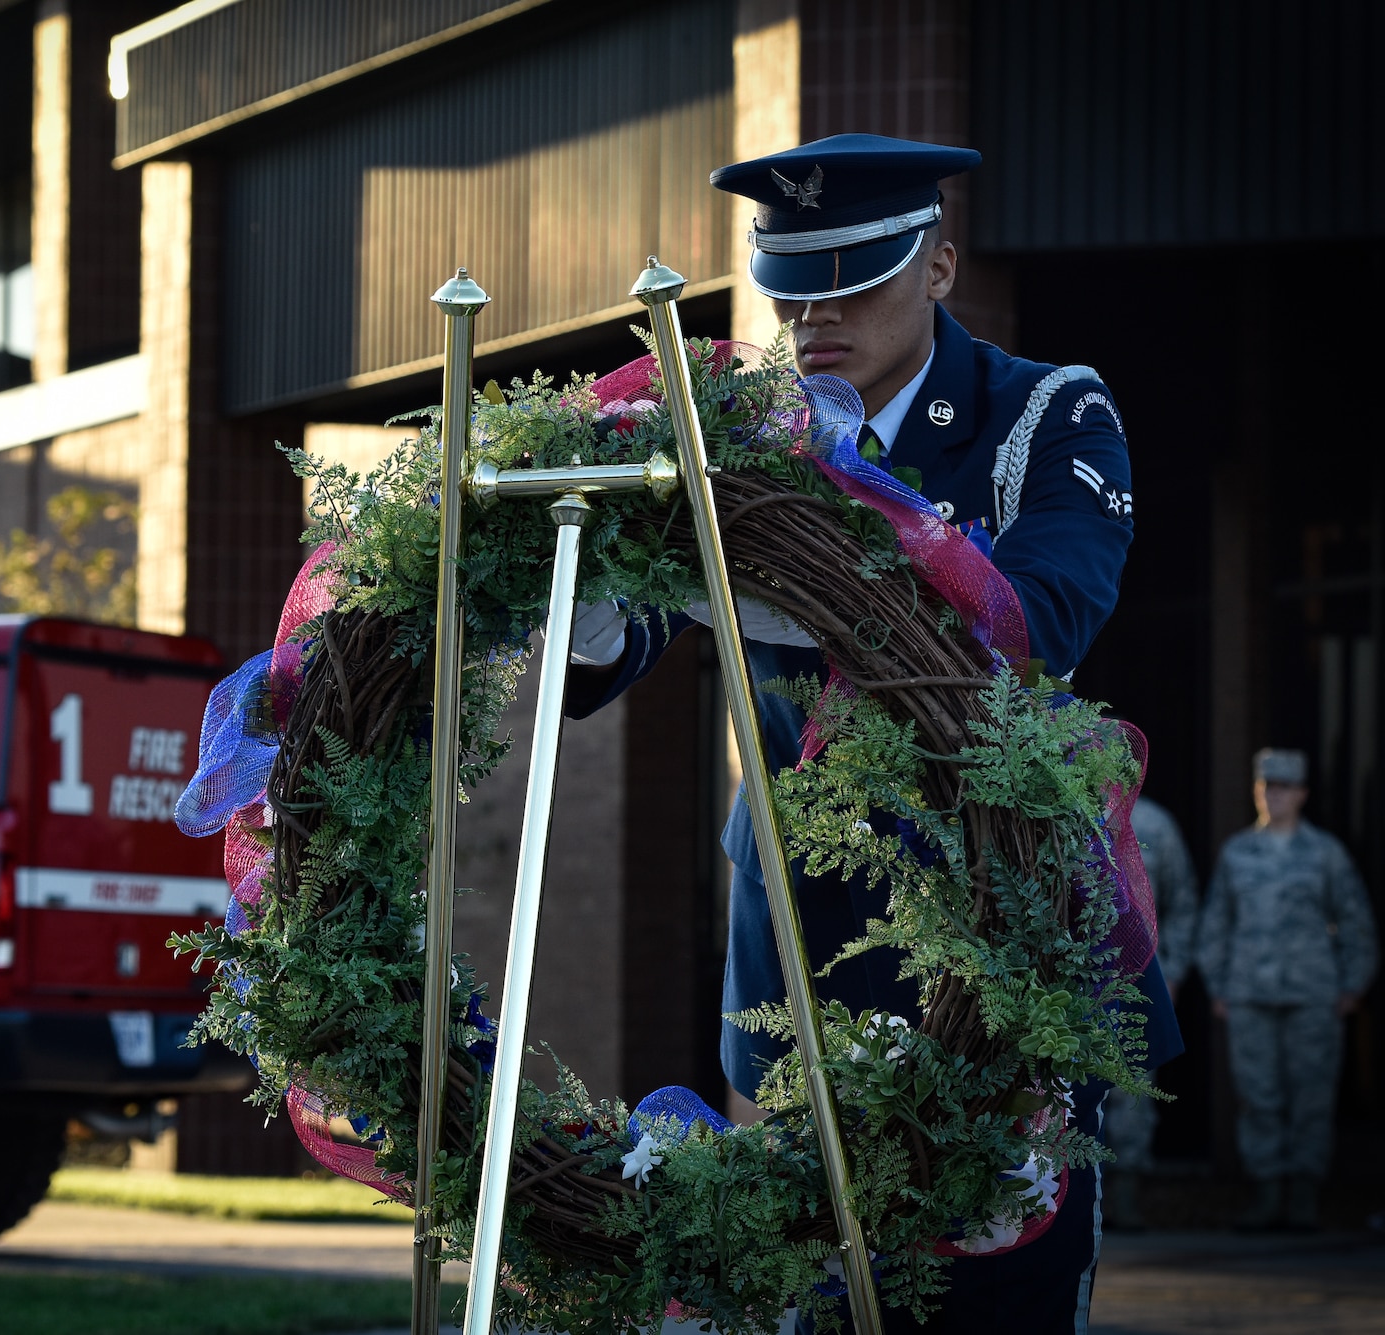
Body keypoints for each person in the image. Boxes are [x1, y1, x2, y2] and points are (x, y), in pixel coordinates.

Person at [566, 133, 1183, 1332]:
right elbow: (613, 651)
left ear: (939, 266)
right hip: (799, 922)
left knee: (993, 1296)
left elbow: (1034, 621)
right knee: (800, 1288)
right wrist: (587, 587)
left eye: (853, 277)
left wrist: (785, 574)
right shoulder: (738, 442)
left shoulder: (1044, 411)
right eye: (791, 287)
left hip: (996, 917)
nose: (814, 316)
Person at [1197, 747, 1376, 1232]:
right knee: (1258, 1096)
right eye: (1266, 787)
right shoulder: (1238, 852)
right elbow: (1216, 923)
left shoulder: (1325, 853)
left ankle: (1303, 1198)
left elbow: (1356, 920)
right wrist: (1218, 983)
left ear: (1301, 794)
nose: (1274, 796)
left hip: (1313, 994)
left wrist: (1353, 986)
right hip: (1250, 992)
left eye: (1283, 788)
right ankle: (1267, 1195)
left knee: (1312, 1096)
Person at [1101, 797, 1200, 1230]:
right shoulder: (1057, 810)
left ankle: (1125, 1199)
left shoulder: (1157, 824)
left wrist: (1172, 973)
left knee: (1134, 1089)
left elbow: (1183, 903)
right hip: (1077, 980)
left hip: (1139, 978)